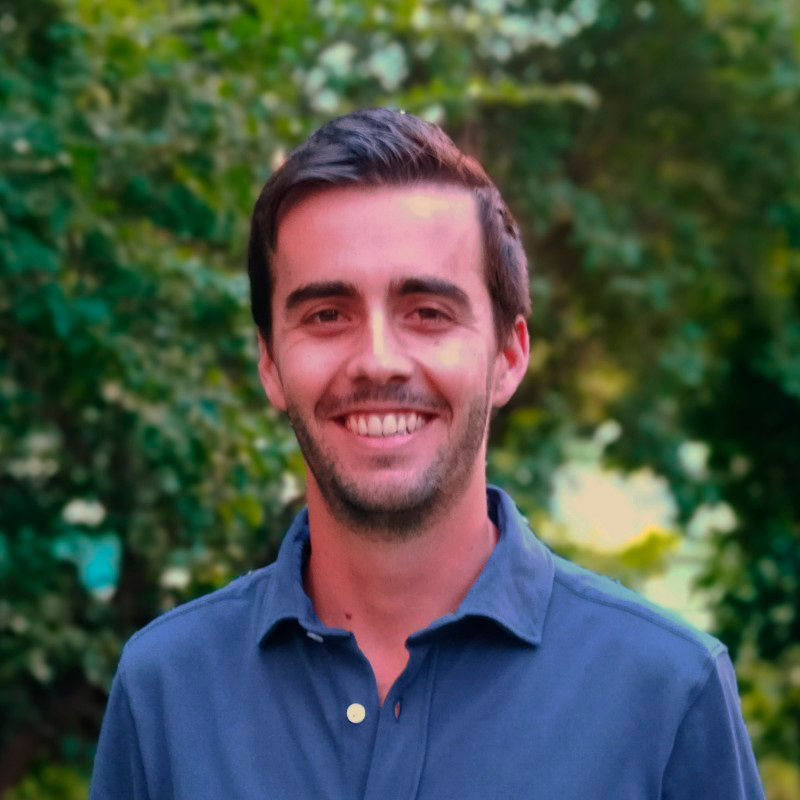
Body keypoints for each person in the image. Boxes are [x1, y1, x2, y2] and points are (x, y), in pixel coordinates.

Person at [90, 109, 764, 799]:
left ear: (508, 356)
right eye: (327, 315)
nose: (378, 359)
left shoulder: (667, 694)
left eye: (428, 313)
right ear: (270, 363)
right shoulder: (166, 690)